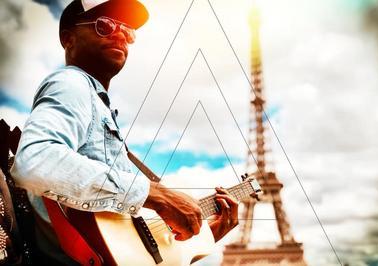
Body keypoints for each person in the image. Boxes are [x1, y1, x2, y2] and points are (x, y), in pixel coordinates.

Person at [11, 0, 239, 264]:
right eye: (105, 25)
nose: (120, 33)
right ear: (68, 39)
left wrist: (204, 235)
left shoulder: (98, 107)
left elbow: (124, 247)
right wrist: (157, 195)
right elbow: (35, 161)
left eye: (128, 30)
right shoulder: (71, 83)